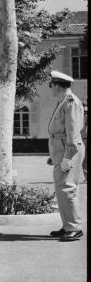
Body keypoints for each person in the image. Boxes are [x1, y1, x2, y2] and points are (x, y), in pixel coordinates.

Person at [47, 71, 85, 241]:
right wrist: (55, 156)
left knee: (68, 188)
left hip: (69, 151)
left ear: (57, 85)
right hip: (61, 152)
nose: (51, 89)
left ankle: (74, 228)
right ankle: (67, 225)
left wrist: (67, 157)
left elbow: (73, 134)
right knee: (62, 190)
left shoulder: (70, 103)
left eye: (51, 85)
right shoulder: (63, 102)